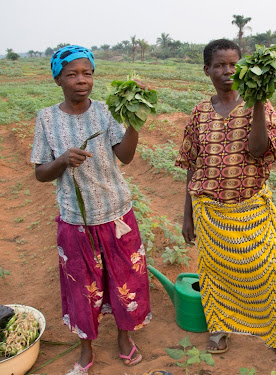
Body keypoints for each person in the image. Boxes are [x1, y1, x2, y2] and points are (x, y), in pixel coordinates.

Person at [175, 39, 276, 357]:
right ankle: (219, 329)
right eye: (219, 65)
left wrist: (256, 101)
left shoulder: (261, 106)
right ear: (207, 70)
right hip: (209, 212)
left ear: (243, 68)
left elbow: (257, 150)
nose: (227, 71)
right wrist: (187, 216)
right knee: (217, 276)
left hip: (252, 209)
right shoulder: (199, 113)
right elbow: (192, 167)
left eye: (232, 64)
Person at [30, 45, 152, 374]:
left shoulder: (105, 111)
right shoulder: (47, 118)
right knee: (82, 286)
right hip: (75, 220)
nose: (81, 80)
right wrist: (61, 161)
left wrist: (134, 123)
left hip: (116, 214)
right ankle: (86, 347)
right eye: (72, 74)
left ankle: (124, 338)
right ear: (58, 79)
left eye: (87, 73)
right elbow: (41, 172)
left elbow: (124, 156)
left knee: (125, 281)